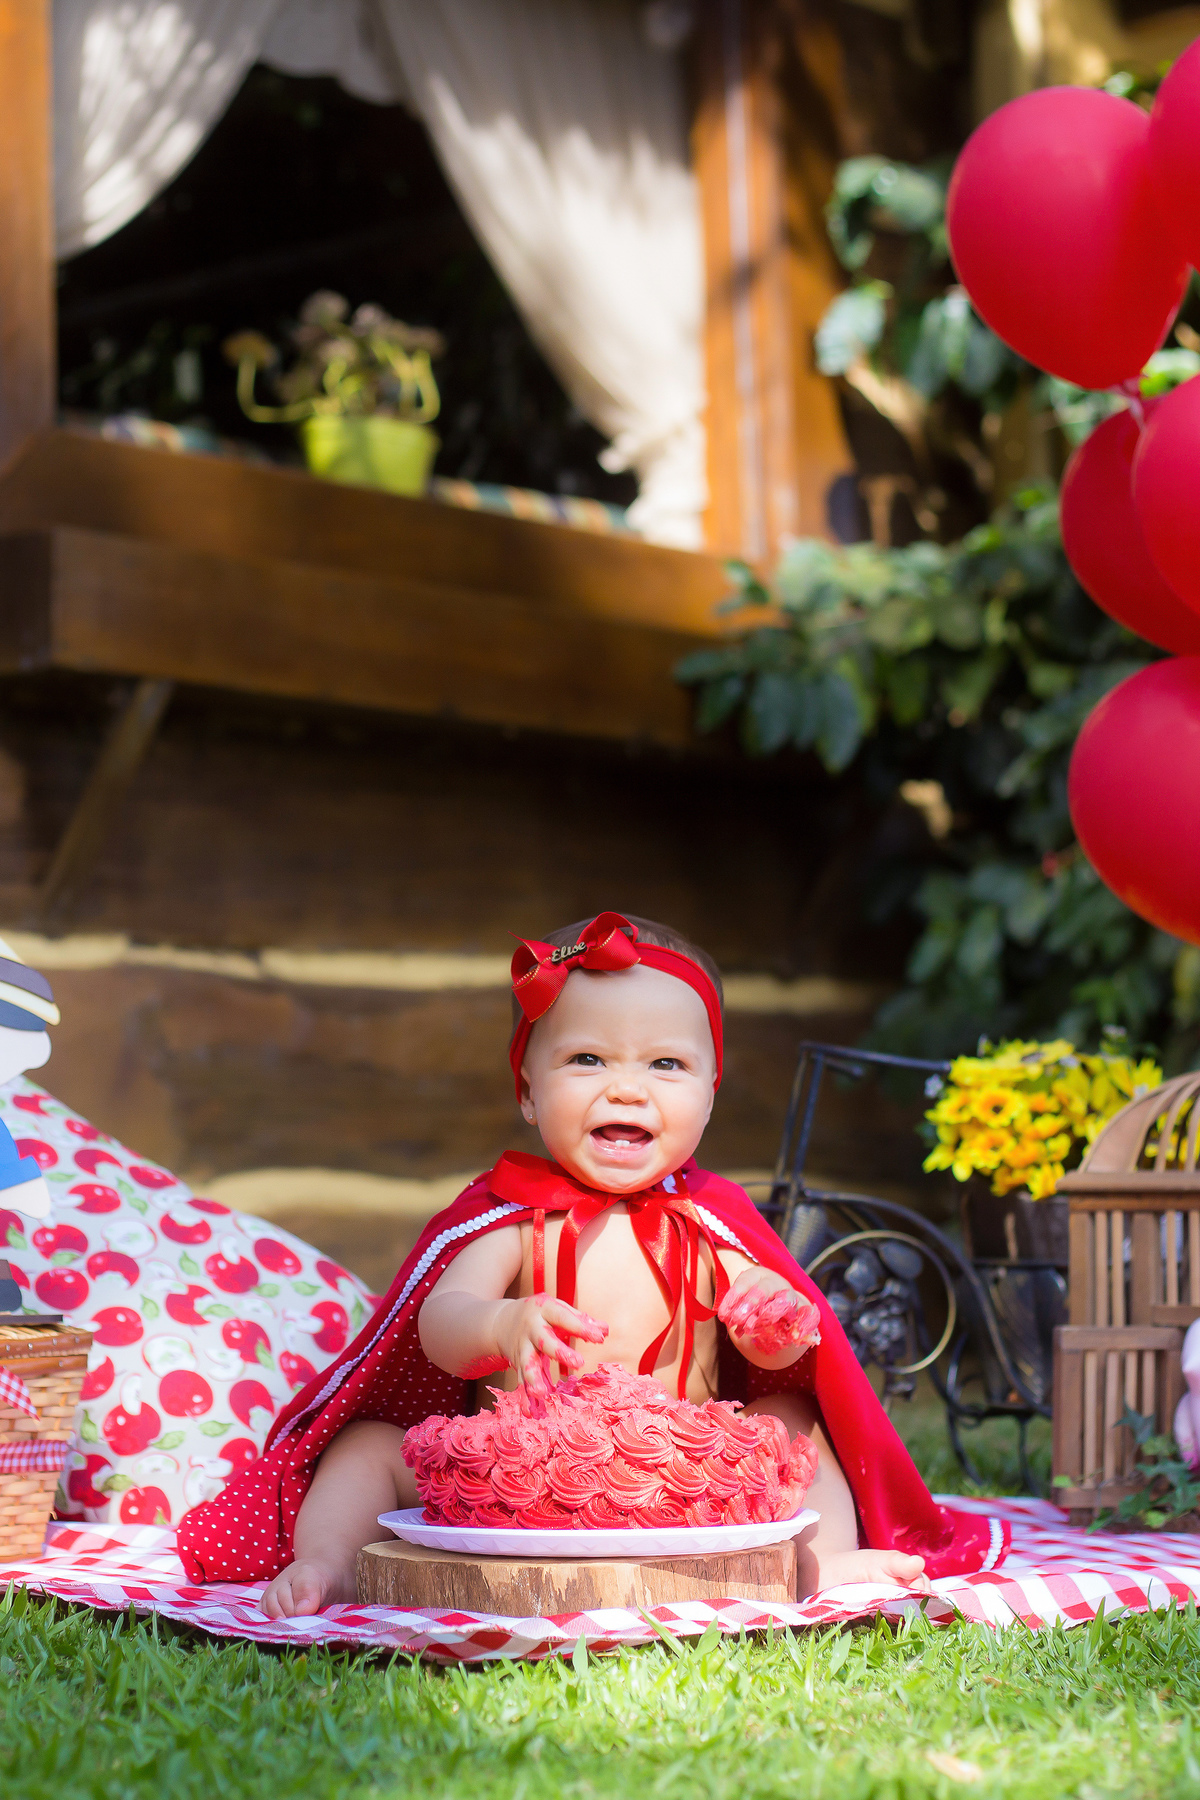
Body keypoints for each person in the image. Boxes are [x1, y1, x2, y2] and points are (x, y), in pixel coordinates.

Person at [176, 912, 1003, 1611]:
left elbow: (780, 1357)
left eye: (666, 1065)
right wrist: (503, 1321)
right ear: (528, 1091)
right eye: (588, 1060)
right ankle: (327, 1563)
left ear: (711, 1093)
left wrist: (772, 1319)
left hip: (686, 1481)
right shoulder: (512, 1218)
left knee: (794, 1422)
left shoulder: (708, 1223)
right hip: (513, 1486)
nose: (628, 1089)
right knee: (367, 1446)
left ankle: (818, 1561)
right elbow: (437, 1323)